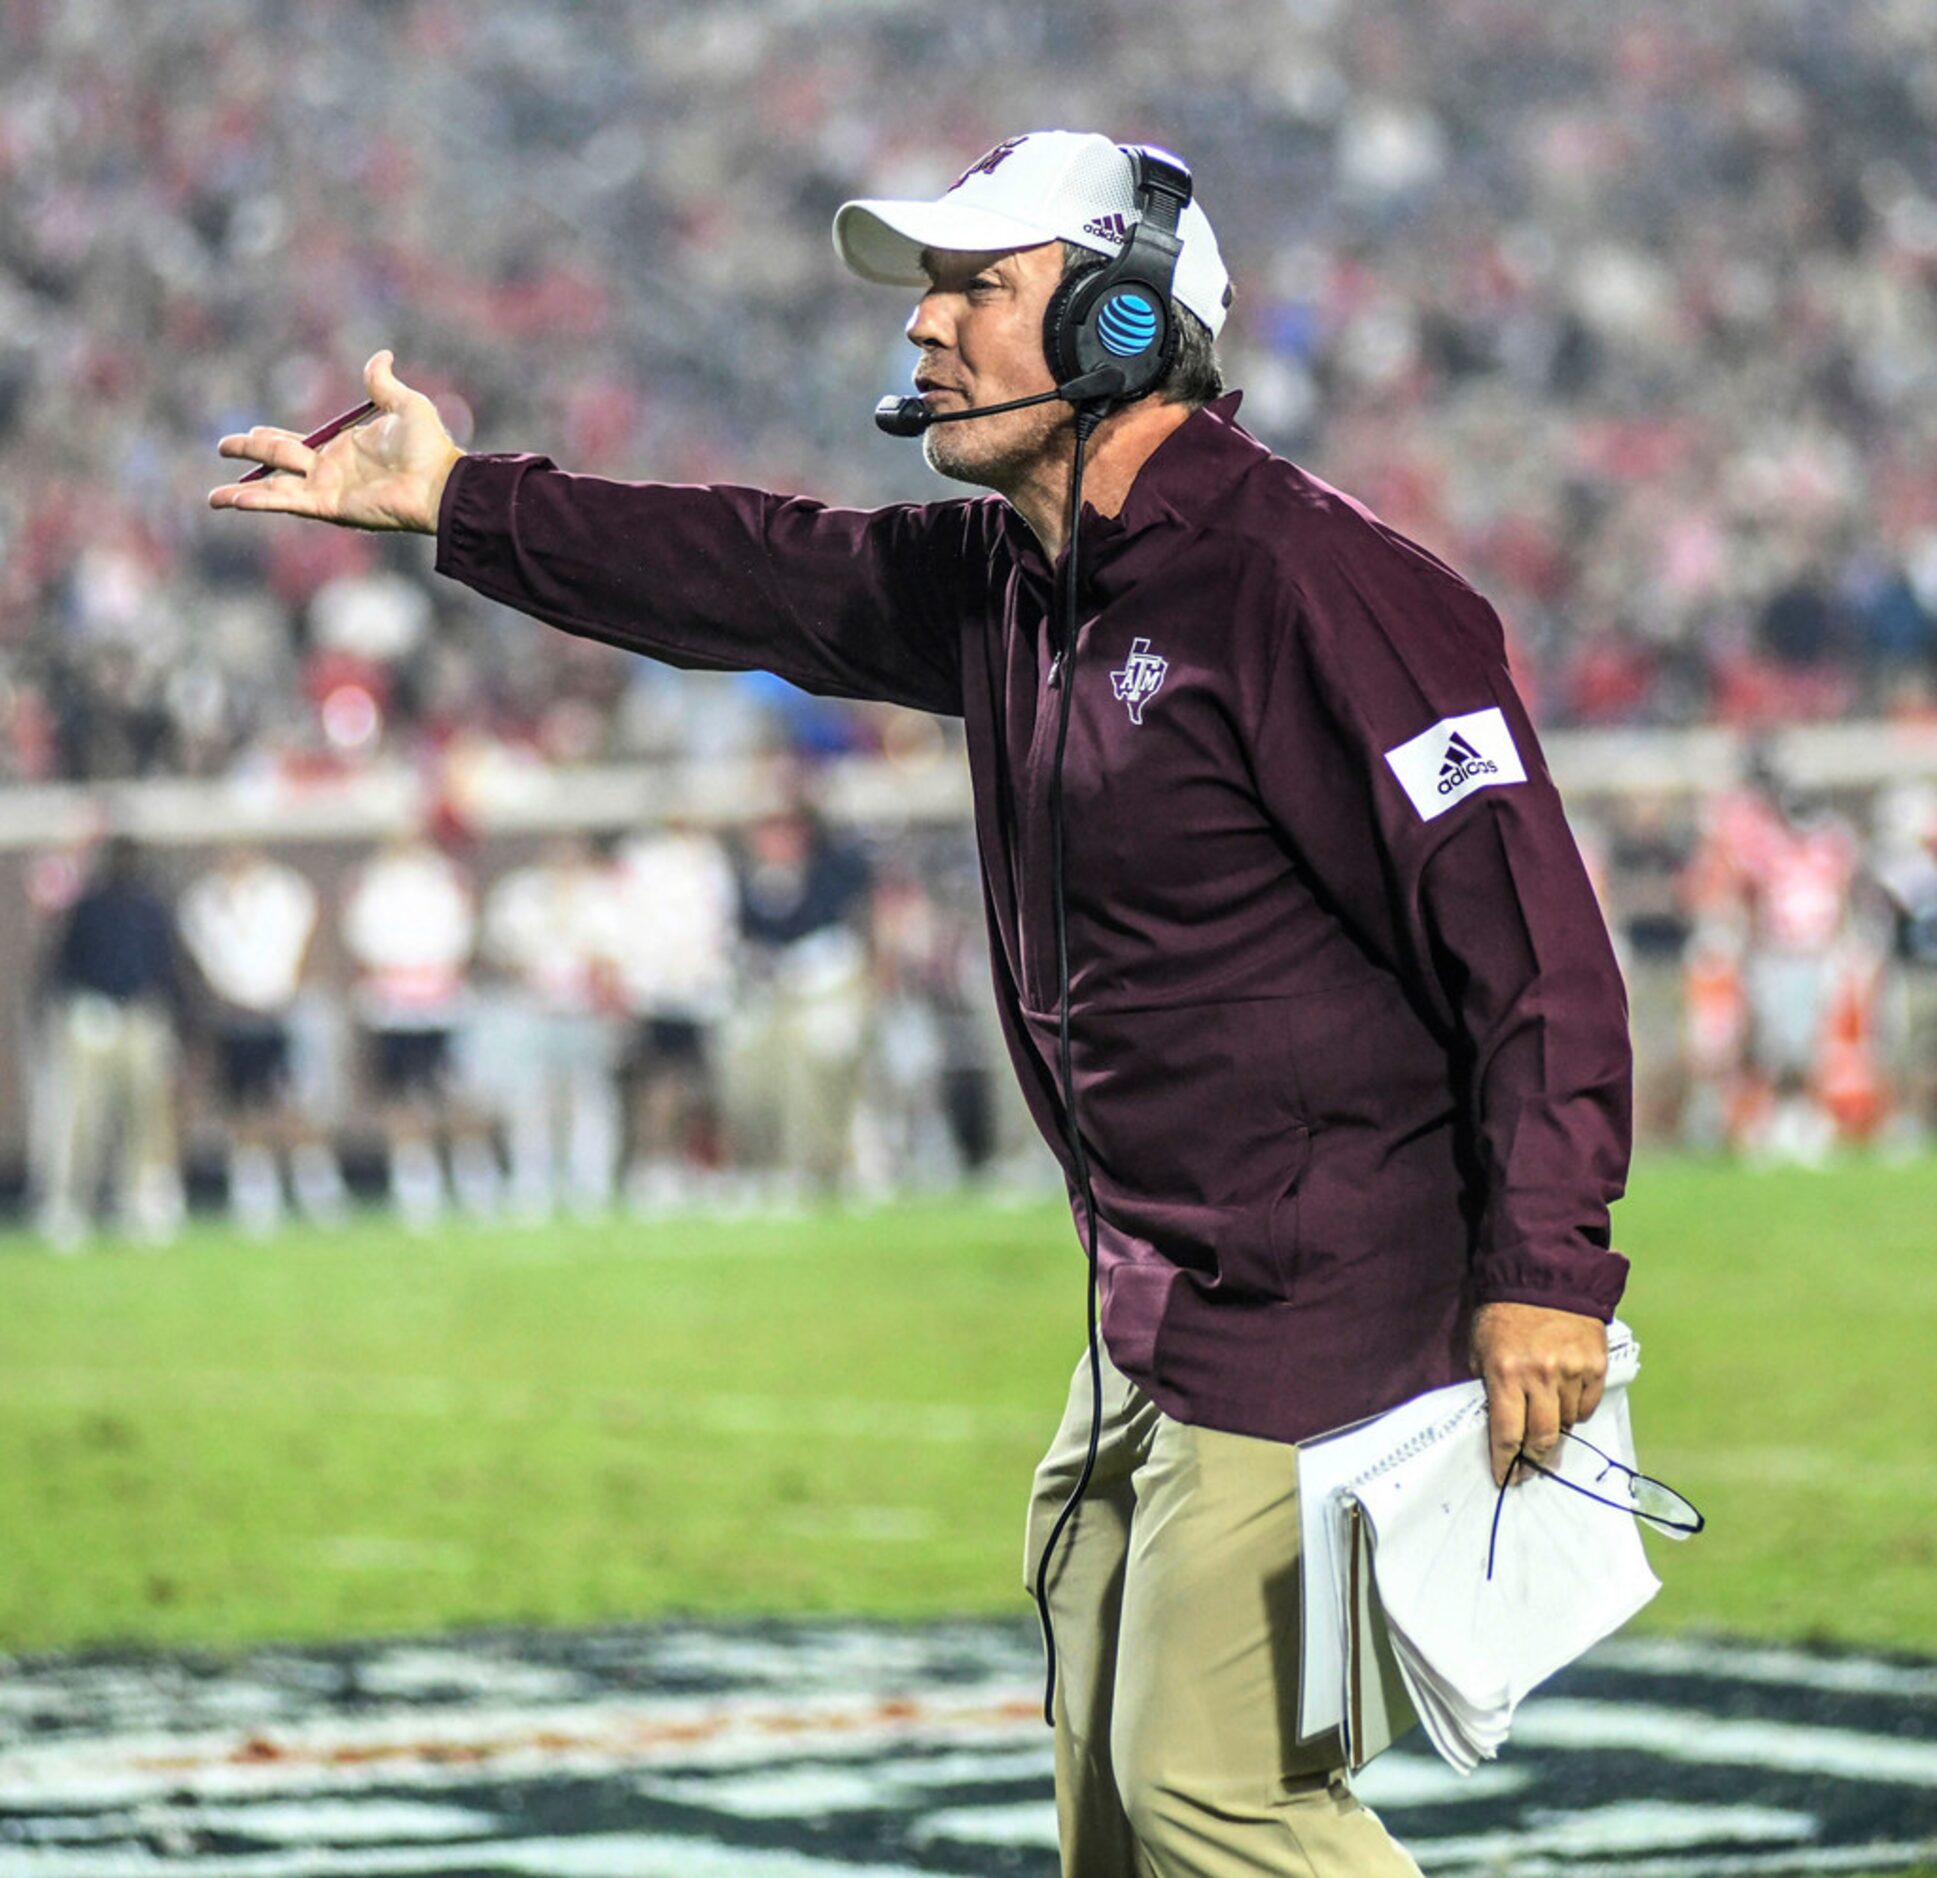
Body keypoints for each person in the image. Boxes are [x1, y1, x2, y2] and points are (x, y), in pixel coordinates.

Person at [211, 128, 1633, 1876]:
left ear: (1120, 323)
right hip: (1151, 1316)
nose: (925, 330)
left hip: (1327, 1299)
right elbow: (748, 567)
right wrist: (453, 499)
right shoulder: (1012, 589)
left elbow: (1532, 941)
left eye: (978, 286)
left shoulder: (1314, 584)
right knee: (1107, 1813)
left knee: (1212, 1790)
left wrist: (1547, 1269)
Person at [177, 842, 348, 1233]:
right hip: (233, 1011)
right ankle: (255, 1189)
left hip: (279, 1007)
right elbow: (200, 958)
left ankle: (315, 1185)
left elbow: (304, 945)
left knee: (293, 1100)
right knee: (240, 1103)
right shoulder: (205, 900)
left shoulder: (286, 893)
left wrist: (288, 992)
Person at [37, 833, 187, 1248]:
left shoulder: (151, 908)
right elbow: (62, 964)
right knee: (82, 1117)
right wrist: (79, 1007)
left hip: (139, 1017)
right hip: (93, 1017)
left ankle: (139, 1200)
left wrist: (172, 1020)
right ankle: (67, 1204)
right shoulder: (87, 907)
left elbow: (164, 966)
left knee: (145, 1115)